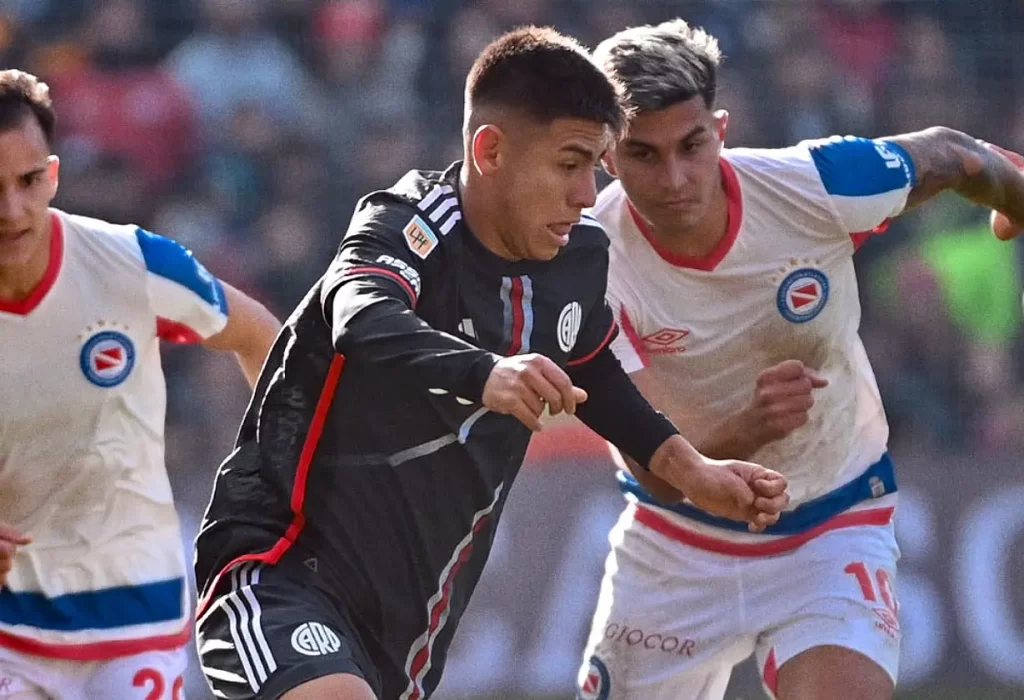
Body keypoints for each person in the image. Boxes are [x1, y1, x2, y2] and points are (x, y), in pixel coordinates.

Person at [193, 27, 789, 700]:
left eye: (596, 168)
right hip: (281, 565)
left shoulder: (577, 258)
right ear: (491, 151)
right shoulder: (409, 224)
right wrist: (486, 373)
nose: (587, 194)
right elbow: (359, 314)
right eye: (570, 164)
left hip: (411, 625)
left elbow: (594, 371)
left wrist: (692, 469)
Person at [575, 19, 1024, 700]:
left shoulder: (815, 184)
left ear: (720, 129)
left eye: (691, 146)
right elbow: (654, 474)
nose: (675, 179)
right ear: (608, 155)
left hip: (831, 522)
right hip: (676, 545)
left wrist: (1011, 196)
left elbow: (953, 156)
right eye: (644, 154)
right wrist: (748, 428)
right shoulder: (586, 263)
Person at [0, 69, 280, 698]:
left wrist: (278, 485)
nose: (12, 210)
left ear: (53, 176)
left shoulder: (130, 263)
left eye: (27, 182)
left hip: (134, 613)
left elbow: (262, 336)